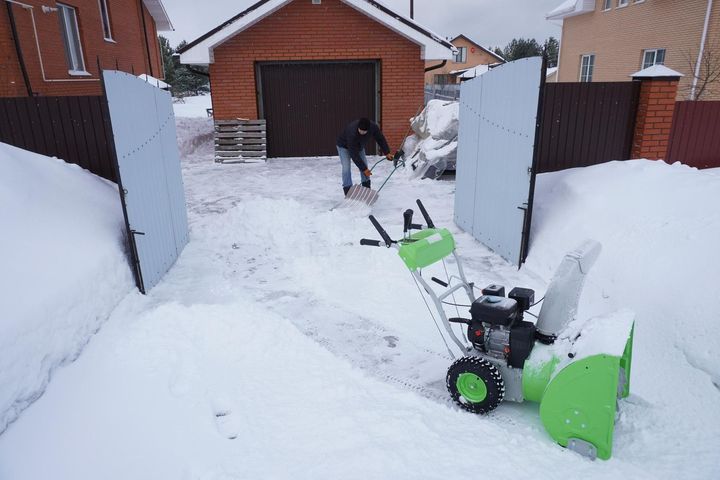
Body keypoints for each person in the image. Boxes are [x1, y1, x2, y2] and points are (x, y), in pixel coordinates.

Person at [336, 118, 394, 196]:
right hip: (344, 147)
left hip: (359, 146)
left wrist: (387, 152)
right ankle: (348, 191)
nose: (362, 132)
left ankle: (366, 188)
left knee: (365, 167)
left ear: (368, 129)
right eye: (360, 130)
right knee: (346, 168)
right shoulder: (352, 132)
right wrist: (364, 169)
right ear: (358, 127)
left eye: (364, 131)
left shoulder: (373, 127)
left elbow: (380, 138)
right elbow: (354, 155)